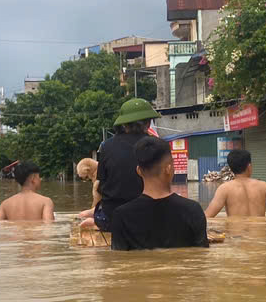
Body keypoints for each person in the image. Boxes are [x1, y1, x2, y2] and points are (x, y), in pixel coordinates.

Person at [110, 136, 209, 251]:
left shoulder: (121, 215)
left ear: (139, 171)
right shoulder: (192, 210)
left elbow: (118, 260)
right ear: (168, 169)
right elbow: (202, 258)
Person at [94, 98, 160, 232]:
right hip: (150, 218)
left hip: (113, 220)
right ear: (148, 124)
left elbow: (101, 187)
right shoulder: (158, 146)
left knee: (99, 212)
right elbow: (165, 186)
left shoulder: (106, 146)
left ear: (124, 125)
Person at [204, 149, 266, 219]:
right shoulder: (263, 186)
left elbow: (207, 217)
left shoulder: (224, 189)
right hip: (260, 241)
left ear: (231, 168)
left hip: (237, 239)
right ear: (249, 166)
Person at [76, 157, 100, 228]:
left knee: (82, 215)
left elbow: (97, 202)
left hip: (106, 215)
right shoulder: (103, 170)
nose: (89, 179)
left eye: (86, 177)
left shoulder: (98, 182)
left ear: (89, 170)